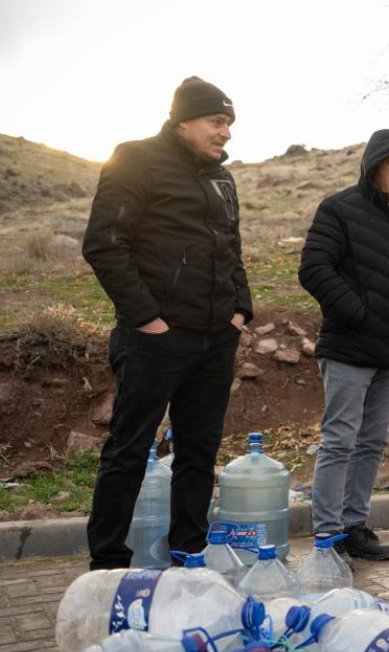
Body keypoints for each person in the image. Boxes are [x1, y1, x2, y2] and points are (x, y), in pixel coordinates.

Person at [82, 77, 252, 570]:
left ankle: (189, 556)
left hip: (215, 337)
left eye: (229, 124)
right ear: (183, 120)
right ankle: (108, 565)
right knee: (129, 451)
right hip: (155, 340)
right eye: (217, 122)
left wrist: (240, 311)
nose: (226, 133)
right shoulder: (135, 159)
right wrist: (147, 320)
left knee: (199, 453)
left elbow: (231, 248)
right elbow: (105, 244)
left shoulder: (223, 178)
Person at [298, 129, 389, 562]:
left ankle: (354, 527)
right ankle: (328, 536)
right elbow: (314, 268)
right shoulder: (338, 209)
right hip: (349, 350)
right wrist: (356, 313)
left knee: (373, 442)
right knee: (340, 441)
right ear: (374, 165)